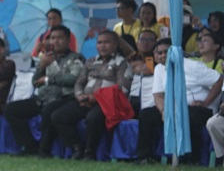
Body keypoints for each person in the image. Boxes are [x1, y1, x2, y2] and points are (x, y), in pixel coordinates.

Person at [139, 28, 222, 163]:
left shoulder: (192, 66)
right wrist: (163, 111)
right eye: (159, 52)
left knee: (188, 115)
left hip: (200, 108)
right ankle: (145, 157)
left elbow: (219, 80)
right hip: (172, 108)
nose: (163, 55)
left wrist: (206, 102)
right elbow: (158, 95)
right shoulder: (159, 68)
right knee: (146, 115)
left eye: (166, 51)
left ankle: (191, 159)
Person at [3, 26, 84, 156]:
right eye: (53, 38)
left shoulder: (75, 58)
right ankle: (29, 146)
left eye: (60, 38)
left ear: (68, 41)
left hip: (64, 97)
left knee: (48, 110)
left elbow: (73, 79)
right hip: (43, 98)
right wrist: (42, 66)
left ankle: (44, 150)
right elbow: (35, 82)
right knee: (11, 109)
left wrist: (48, 79)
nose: (55, 41)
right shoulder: (47, 58)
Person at [54, 30, 131, 159]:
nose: (102, 46)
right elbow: (79, 83)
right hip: (85, 100)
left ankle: (90, 152)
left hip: (107, 103)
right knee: (58, 116)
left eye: (107, 42)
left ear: (115, 44)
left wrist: (96, 98)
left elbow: (122, 89)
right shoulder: (90, 61)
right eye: (99, 42)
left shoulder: (122, 63)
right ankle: (77, 147)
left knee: (93, 118)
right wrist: (80, 96)